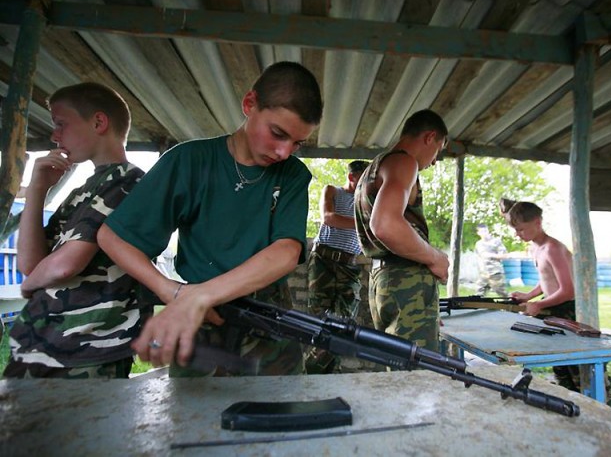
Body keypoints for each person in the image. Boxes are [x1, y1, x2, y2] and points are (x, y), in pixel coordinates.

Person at [97, 61, 323, 377]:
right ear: (250, 104)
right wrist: (171, 292)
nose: (285, 152)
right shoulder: (190, 161)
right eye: (277, 133)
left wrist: (200, 296)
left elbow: (286, 252)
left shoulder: (292, 175)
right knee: (195, 417)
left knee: (283, 415)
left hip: (269, 324)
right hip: (202, 327)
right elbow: (113, 236)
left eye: (297, 143)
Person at [3, 82, 147, 379]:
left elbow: (65, 264)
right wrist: (38, 190)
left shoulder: (128, 181)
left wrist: (30, 287)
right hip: (45, 342)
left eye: (61, 124)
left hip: (88, 349)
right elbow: (30, 264)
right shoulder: (84, 190)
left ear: (98, 122)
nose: (55, 135)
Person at [501, 198, 611, 403]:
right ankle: (569, 399)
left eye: (521, 229)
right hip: (554, 307)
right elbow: (547, 280)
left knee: (576, 362)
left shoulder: (553, 248)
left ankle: (602, 398)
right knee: (559, 362)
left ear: (537, 222)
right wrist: (528, 296)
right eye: (516, 230)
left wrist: (539, 304)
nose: (517, 234)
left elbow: (568, 290)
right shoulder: (537, 248)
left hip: (569, 311)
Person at [354, 109, 449, 354]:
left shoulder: (372, 169)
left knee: (399, 366)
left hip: (384, 280)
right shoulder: (404, 162)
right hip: (405, 280)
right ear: (429, 137)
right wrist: (435, 257)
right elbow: (385, 225)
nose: (435, 160)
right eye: (438, 150)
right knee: (418, 377)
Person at [305, 160, 368, 373]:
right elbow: (329, 218)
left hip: (349, 267)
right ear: (352, 177)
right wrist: (367, 223)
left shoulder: (368, 201)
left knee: (344, 324)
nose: (369, 184)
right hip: (323, 261)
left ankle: (315, 371)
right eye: (364, 178)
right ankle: (320, 375)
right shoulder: (332, 190)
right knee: (319, 319)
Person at [474, 223, 509, 298]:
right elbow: (479, 257)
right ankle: (479, 307)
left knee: (502, 293)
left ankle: (513, 307)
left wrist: (490, 255)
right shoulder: (478, 244)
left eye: (485, 231)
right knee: (478, 294)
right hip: (483, 273)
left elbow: (504, 255)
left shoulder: (496, 242)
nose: (484, 233)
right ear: (478, 233)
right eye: (482, 231)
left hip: (495, 272)